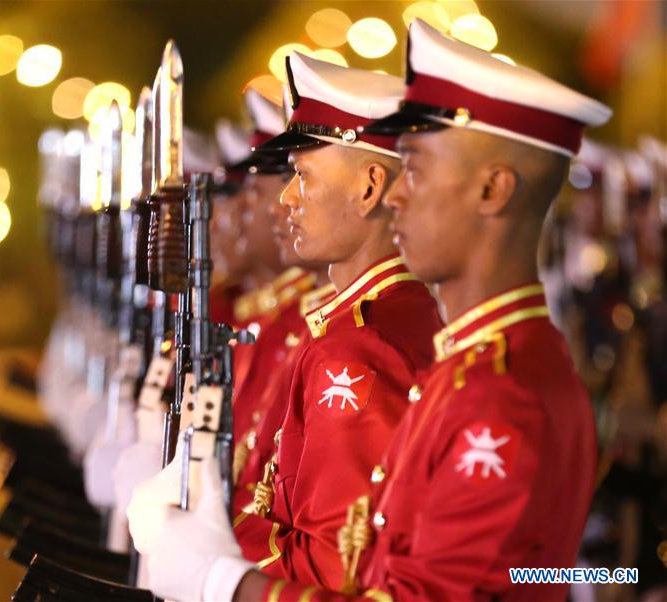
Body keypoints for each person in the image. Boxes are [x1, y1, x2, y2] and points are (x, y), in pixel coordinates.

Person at [127, 19, 613, 602]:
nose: (398, 193)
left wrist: (225, 579)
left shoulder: (498, 392)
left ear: (493, 191)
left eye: (421, 170)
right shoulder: (477, 365)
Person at [128, 51, 442, 599]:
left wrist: (213, 555)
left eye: (301, 175)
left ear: (369, 188)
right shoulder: (369, 320)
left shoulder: (358, 348)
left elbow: (330, 566)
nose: (284, 199)